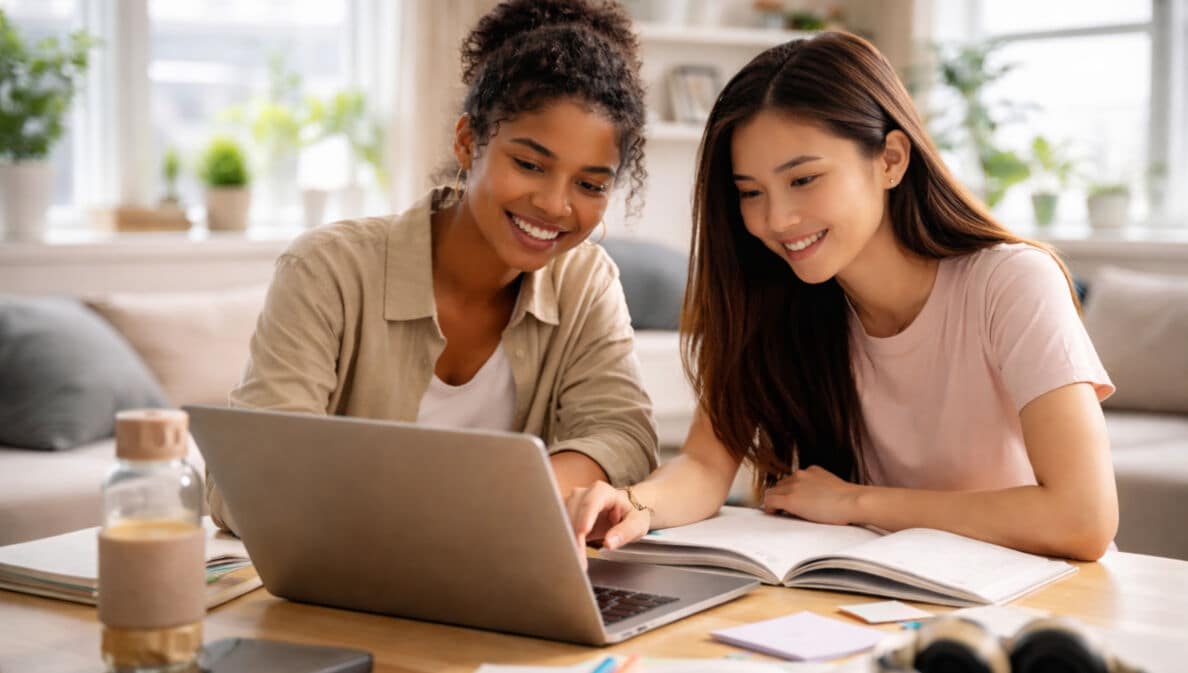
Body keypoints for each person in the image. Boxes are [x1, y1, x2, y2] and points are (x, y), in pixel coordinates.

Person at [567, 31, 1118, 562]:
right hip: (886, 593)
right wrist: (636, 503)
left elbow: (1083, 518)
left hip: (1038, 602)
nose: (777, 219)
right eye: (751, 193)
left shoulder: (1013, 282)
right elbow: (705, 465)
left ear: (891, 160)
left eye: (804, 179)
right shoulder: (777, 300)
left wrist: (857, 502)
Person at [208, 0, 658, 533]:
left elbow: (622, 436)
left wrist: (501, 501)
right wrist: (467, 504)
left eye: (590, 184)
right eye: (530, 164)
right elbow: (250, 477)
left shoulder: (587, 282)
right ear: (469, 143)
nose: (556, 205)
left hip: (496, 581)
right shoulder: (328, 268)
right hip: (345, 584)